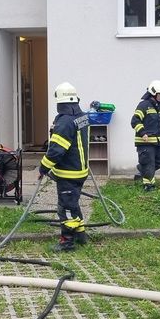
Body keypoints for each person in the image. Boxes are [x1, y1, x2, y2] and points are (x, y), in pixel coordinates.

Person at [39, 82, 90, 252]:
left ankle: (67, 242)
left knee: (66, 207)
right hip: (80, 170)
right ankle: (81, 235)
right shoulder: (81, 117)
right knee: (73, 203)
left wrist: (43, 167)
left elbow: (56, 151)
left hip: (68, 173)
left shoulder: (65, 122)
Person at [131, 80, 160, 192]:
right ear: (154, 93)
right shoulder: (144, 105)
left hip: (158, 141)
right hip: (145, 142)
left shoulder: (159, 106)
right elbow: (135, 121)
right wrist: (143, 133)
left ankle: (142, 169)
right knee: (148, 163)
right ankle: (149, 187)